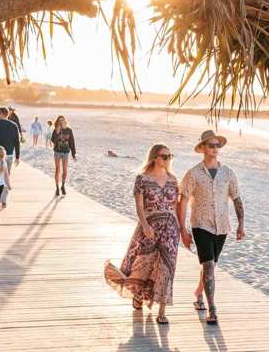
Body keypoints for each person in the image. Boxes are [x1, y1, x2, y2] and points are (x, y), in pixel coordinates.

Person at [105, 144, 192, 321]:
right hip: (149, 227)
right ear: (154, 157)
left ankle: (162, 312)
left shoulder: (173, 180)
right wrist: (145, 225)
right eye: (164, 156)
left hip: (170, 230)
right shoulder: (142, 179)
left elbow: (176, 207)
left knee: (166, 267)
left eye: (170, 156)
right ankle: (138, 295)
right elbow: (139, 206)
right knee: (143, 264)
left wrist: (182, 229)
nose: (168, 159)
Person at [177, 130, 245, 326]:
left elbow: (237, 199)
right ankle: (212, 308)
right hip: (201, 225)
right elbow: (182, 202)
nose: (215, 149)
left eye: (217, 145)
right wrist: (183, 230)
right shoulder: (193, 173)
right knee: (208, 266)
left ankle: (199, 293)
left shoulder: (228, 173)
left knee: (210, 265)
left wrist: (241, 224)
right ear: (203, 148)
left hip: (222, 226)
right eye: (211, 145)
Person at [51, 115, 76, 196]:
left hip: (65, 152)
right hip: (57, 152)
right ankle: (57, 188)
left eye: (62, 120)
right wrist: (57, 131)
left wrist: (73, 154)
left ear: (65, 121)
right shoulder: (56, 130)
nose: (61, 121)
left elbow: (72, 142)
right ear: (58, 122)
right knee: (57, 170)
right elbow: (53, 140)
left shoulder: (69, 130)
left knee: (65, 171)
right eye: (60, 120)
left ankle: (63, 186)